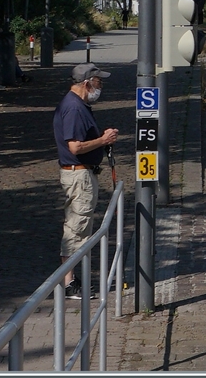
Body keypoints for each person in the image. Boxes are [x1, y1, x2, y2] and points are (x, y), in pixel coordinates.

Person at [53, 63, 118, 298]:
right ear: (87, 83)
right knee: (76, 227)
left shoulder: (79, 105)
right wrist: (103, 140)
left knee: (81, 227)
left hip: (82, 173)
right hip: (78, 174)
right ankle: (68, 283)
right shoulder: (74, 108)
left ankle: (71, 278)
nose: (101, 85)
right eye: (99, 81)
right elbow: (75, 146)